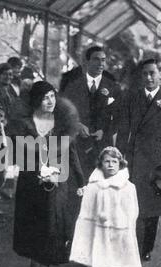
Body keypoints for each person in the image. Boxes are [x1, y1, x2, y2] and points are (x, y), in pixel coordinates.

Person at [8, 81, 84, 267]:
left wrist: (81, 181)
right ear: (36, 101)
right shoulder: (23, 125)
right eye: (45, 97)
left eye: (53, 96)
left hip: (56, 184)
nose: (50, 101)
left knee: (51, 228)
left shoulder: (62, 124)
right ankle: (35, 255)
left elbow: (72, 153)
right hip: (30, 183)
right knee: (34, 226)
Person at [70, 147, 142, 267]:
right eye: (107, 161)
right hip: (95, 228)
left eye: (114, 161)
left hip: (116, 228)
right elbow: (86, 209)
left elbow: (132, 211)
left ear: (120, 164)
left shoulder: (128, 187)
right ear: (101, 164)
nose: (110, 165)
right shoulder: (94, 185)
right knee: (93, 258)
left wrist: (124, 225)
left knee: (111, 257)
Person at [117, 59, 161, 262]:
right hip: (135, 159)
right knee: (133, 203)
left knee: (152, 206)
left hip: (158, 162)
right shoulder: (133, 97)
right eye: (145, 74)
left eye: (152, 73)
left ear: (160, 74)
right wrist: (119, 155)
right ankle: (132, 245)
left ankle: (146, 248)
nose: (149, 77)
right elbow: (124, 128)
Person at [59, 46, 122, 179]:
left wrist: (104, 131)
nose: (101, 64)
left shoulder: (113, 87)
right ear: (86, 62)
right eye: (96, 59)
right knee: (79, 183)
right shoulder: (73, 86)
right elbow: (63, 112)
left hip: (103, 146)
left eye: (103, 60)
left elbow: (119, 117)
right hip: (78, 145)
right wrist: (77, 125)